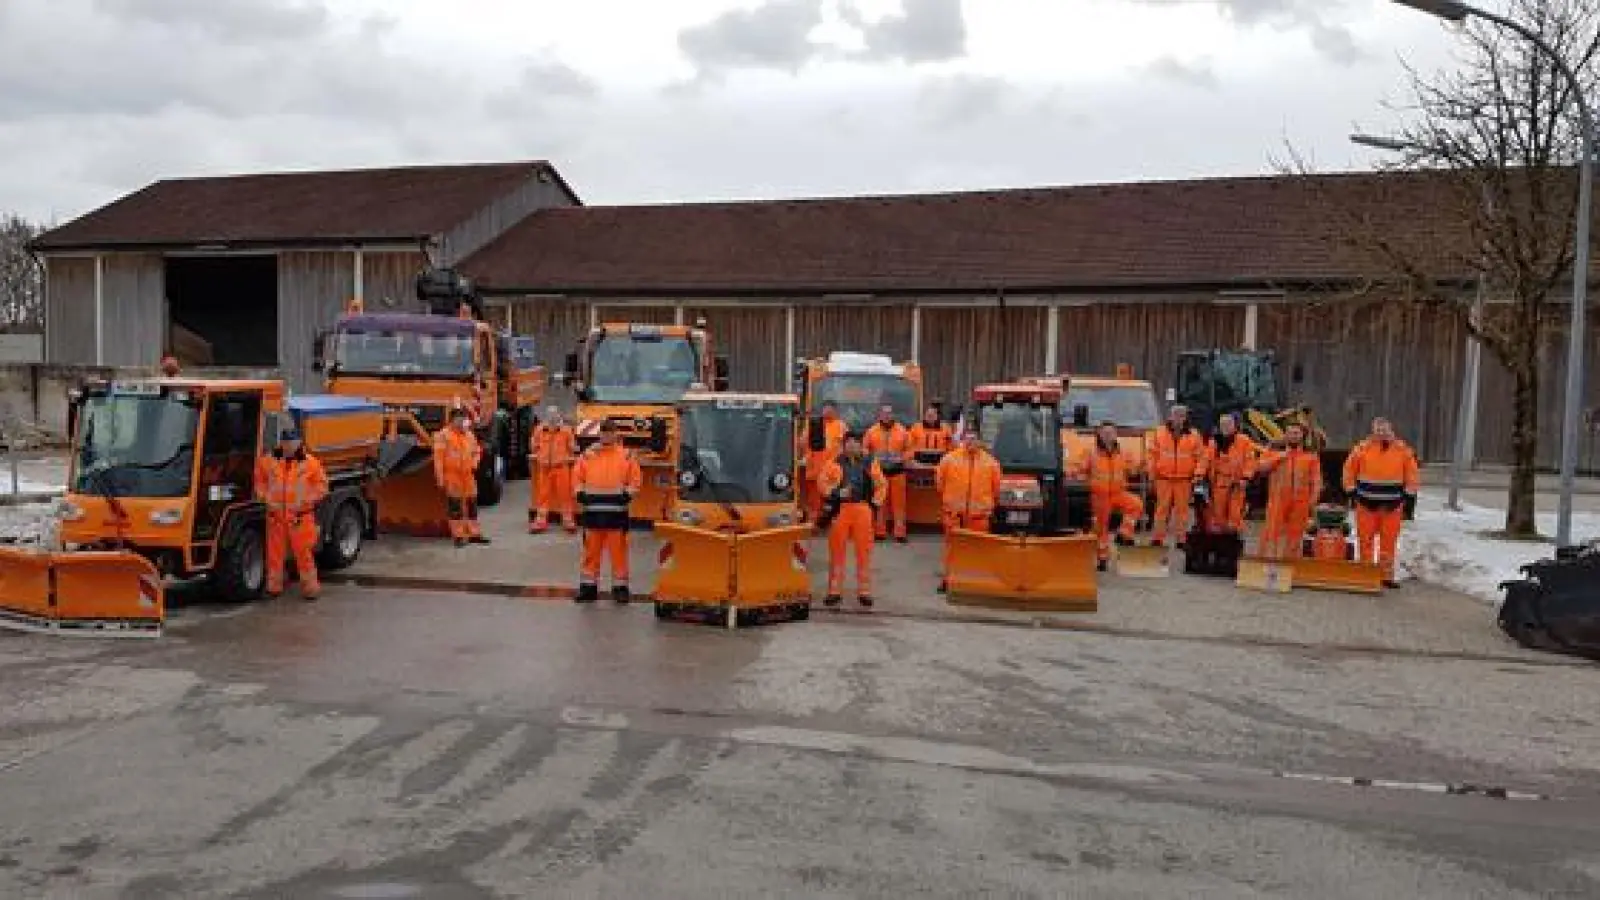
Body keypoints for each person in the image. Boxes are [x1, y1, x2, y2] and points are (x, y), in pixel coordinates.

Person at [1342, 417, 1420, 588]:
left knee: (1388, 542)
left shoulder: (1403, 450)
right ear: (1373, 431)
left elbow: (1412, 474)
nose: (1381, 433)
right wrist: (1351, 491)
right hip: (1365, 504)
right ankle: (1366, 574)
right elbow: (1349, 469)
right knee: (1365, 540)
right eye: (1378, 430)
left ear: (1391, 430)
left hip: (1392, 505)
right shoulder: (1362, 448)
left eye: (1384, 430)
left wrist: (1407, 495)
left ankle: (1386, 576)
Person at [253, 425, 329, 601]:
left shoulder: (311, 463)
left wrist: (307, 501)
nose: (289, 446)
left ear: (299, 443)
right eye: (286, 442)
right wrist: (265, 498)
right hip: (276, 517)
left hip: (300, 517)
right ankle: (274, 587)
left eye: (292, 443)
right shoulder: (268, 461)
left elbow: (322, 486)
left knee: (304, 554)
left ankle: (310, 589)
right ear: (281, 443)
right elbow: (259, 482)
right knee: (274, 555)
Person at [572, 419, 642, 603]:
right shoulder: (587, 455)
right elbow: (577, 477)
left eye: (609, 432)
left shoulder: (626, 456)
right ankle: (588, 588)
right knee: (590, 553)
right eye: (604, 432)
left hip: (616, 513)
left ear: (615, 434)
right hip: (592, 513)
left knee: (618, 553)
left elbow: (635, 480)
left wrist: (627, 495)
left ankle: (620, 588)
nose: (606, 435)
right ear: (600, 434)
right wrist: (579, 493)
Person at [817, 431, 887, 608]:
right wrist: (835, 493)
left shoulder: (870, 462)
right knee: (837, 551)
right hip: (840, 509)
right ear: (844, 444)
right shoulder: (833, 462)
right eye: (849, 442)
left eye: (855, 442)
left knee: (864, 551)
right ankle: (834, 591)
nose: (852, 445)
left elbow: (881, 484)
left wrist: (874, 504)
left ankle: (864, 591)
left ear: (861, 445)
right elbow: (822, 483)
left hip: (863, 508)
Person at [933, 429, 1002, 593]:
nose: (970, 442)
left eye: (974, 439)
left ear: (980, 441)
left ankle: (975, 582)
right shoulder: (949, 460)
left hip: (979, 517)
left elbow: (996, 489)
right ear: (962, 440)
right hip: (954, 515)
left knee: (977, 550)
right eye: (967, 439)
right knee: (952, 550)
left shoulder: (991, 463)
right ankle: (949, 580)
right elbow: (939, 484)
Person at [1080, 421, 1144, 571]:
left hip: (1118, 493)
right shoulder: (1091, 452)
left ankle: (1123, 534)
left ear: (1116, 435)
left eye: (1111, 433)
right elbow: (1080, 468)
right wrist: (1078, 475)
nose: (1108, 436)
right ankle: (1102, 559)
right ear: (1099, 435)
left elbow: (1132, 469)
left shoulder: (1123, 452)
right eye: (1105, 433)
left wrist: (1142, 466)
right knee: (1101, 528)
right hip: (1100, 496)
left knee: (1136, 504)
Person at [1256, 422, 1322, 560]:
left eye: (1296, 433)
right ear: (1285, 435)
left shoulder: (1310, 457)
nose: (1293, 436)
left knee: (1295, 537)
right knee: (1272, 534)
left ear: (1302, 436)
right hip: (1277, 501)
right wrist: (1281, 456)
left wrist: (1312, 502)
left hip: (1300, 503)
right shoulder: (1274, 452)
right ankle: (1267, 565)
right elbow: (1261, 467)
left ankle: (1291, 567)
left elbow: (1316, 482)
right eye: (1291, 433)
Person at [1149, 403, 1206, 549]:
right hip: (1164, 479)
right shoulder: (1159, 432)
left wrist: (1198, 474)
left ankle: (1181, 539)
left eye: (1182, 415)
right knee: (1161, 510)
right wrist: (1152, 473)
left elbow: (1201, 457)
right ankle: (1157, 538)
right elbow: (1152, 455)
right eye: (1176, 415)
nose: (1178, 418)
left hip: (1184, 480)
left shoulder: (1194, 435)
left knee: (1182, 512)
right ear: (1170, 416)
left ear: (1186, 418)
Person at [434, 405, 489, 547]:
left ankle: (474, 533)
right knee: (455, 507)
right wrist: (440, 478)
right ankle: (458, 536)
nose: (461, 422)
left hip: (468, 475)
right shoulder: (443, 435)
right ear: (451, 421)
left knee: (472, 505)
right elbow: (438, 459)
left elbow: (477, 451)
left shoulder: (469, 435)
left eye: (462, 419)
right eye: (458, 420)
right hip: (452, 476)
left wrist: (474, 464)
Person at [1202, 413, 1258, 533]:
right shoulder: (1213, 442)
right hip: (1219, 484)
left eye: (1228, 424)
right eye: (1223, 425)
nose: (1226, 427)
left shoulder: (1244, 441)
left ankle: (1235, 539)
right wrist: (1199, 475)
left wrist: (1246, 477)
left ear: (1234, 426)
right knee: (1218, 513)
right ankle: (1221, 541)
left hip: (1237, 484)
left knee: (1235, 513)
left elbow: (1250, 461)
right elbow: (1205, 460)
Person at [864, 404, 911, 543]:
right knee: (880, 502)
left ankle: (900, 533)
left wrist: (903, 458)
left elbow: (910, 450)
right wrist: (871, 459)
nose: (887, 416)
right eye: (884, 413)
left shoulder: (903, 431)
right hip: (879, 474)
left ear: (893, 415)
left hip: (898, 472)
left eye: (889, 413)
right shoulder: (871, 431)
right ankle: (880, 532)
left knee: (899, 504)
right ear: (879, 415)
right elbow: (864, 449)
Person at [528, 406, 579, 534]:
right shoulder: (539, 430)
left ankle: (568, 520)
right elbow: (533, 446)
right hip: (544, 468)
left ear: (558, 416)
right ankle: (540, 521)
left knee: (565, 494)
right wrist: (537, 455)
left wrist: (574, 453)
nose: (552, 418)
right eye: (550, 415)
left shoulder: (566, 431)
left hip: (561, 467)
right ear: (546, 416)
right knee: (542, 495)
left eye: (554, 415)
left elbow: (572, 447)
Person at [804, 403, 848, 522]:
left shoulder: (841, 426)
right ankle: (813, 523)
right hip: (814, 468)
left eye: (830, 410)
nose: (827, 412)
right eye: (825, 409)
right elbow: (803, 443)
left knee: (832, 497)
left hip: (833, 470)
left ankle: (832, 521)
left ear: (835, 411)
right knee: (814, 499)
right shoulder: (814, 424)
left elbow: (846, 445)